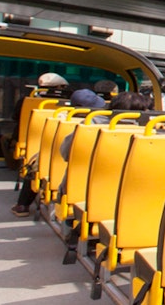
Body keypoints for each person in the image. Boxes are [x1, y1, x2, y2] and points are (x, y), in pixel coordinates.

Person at [11, 86, 105, 217]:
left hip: (57, 161)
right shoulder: (104, 124)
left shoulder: (58, 119)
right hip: (91, 168)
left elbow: (58, 149)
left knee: (35, 164)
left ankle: (23, 205)